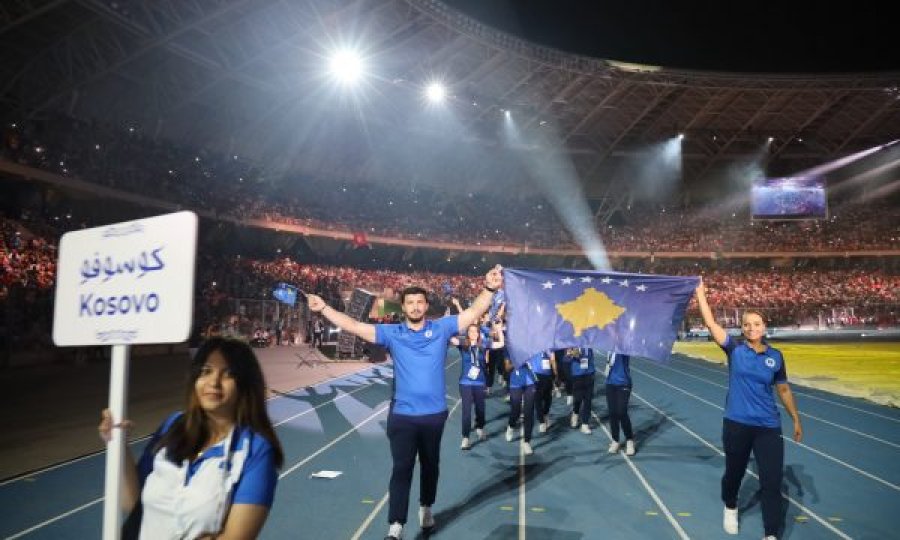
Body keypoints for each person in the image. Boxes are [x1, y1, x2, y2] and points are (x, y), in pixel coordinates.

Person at [306, 265, 503, 540]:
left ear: (426, 305)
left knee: (431, 465)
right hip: (402, 415)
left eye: (419, 302)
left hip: (434, 415)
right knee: (402, 468)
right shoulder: (392, 333)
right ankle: (396, 525)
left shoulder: (442, 328)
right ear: (403, 306)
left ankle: (426, 507)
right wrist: (324, 308)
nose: (415, 306)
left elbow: (473, 312)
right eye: (410, 302)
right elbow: (354, 326)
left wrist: (490, 288)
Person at [97, 337, 284, 539]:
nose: (214, 382)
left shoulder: (255, 450)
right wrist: (118, 446)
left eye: (228, 373)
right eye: (206, 371)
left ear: (245, 384)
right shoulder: (173, 426)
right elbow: (132, 502)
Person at [695, 279, 802, 540]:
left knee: (772, 481)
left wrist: (796, 420)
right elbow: (711, 324)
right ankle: (730, 505)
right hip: (737, 423)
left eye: (756, 323)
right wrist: (700, 293)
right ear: (742, 329)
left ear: (764, 327)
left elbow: (784, 389)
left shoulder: (775, 357)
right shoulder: (734, 350)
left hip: (768, 425)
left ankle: (771, 534)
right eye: (746, 324)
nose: (751, 327)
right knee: (734, 473)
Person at [450, 324, 489, 450]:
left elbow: (499, 344)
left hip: (480, 382)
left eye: (475, 331)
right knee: (466, 411)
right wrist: (451, 326)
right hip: (465, 382)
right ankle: (465, 438)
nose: (473, 333)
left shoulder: (483, 345)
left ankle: (480, 427)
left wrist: (499, 330)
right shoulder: (463, 345)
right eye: (471, 331)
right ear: (468, 333)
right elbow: (451, 338)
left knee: (480, 409)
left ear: (478, 333)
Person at [504, 355, 536, 455]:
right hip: (516, 382)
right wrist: (518, 361)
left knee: (529, 412)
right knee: (516, 410)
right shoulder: (510, 349)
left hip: (530, 381)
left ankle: (527, 442)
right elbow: (507, 367)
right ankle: (511, 426)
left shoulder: (531, 348)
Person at [605, 351, 635, 455]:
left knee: (622, 412)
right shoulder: (610, 348)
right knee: (612, 413)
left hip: (623, 383)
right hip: (610, 383)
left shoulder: (624, 346)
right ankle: (615, 440)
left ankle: (630, 440)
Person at [568, 347, 596, 434]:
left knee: (588, 400)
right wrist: (575, 353)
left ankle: (585, 424)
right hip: (578, 373)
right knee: (578, 398)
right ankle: (575, 413)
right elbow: (568, 354)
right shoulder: (574, 340)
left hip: (589, 372)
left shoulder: (590, 341)